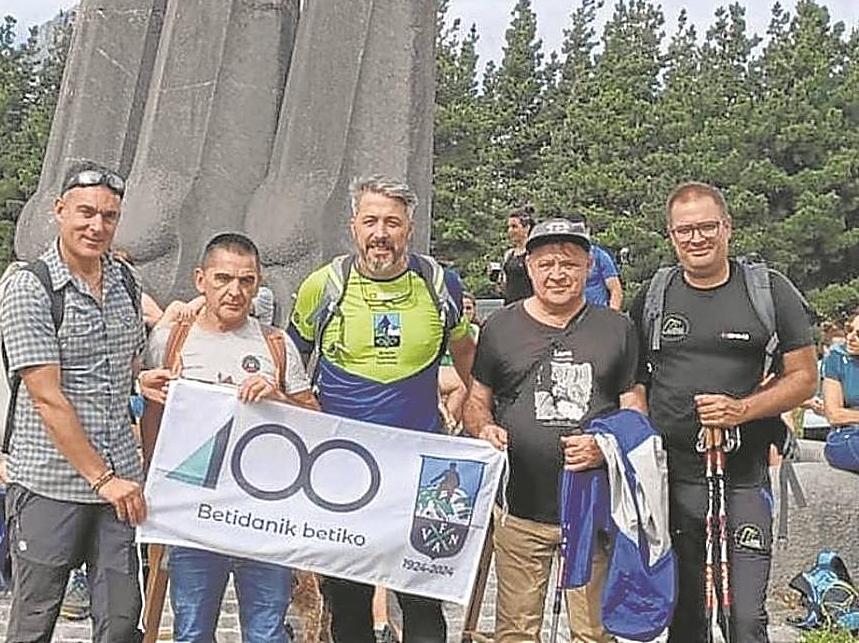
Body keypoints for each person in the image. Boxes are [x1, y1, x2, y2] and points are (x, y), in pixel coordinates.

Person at [287, 175, 475, 643]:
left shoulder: (438, 283)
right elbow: (286, 356)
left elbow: (468, 355)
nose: (381, 233)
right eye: (370, 221)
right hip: (344, 468)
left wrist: (476, 406)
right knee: (348, 596)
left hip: (424, 469)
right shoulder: (323, 286)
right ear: (354, 226)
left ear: (409, 229)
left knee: (423, 595)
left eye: (392, 222)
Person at [628, 181, 816, 643]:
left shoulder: (768, 290)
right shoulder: (654, 295)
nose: (697, 239)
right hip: (674, 479)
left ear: (727, 228)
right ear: (671, 236)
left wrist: (742, 410)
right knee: (687, 618)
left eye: (707, 227)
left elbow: (804, 378)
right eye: (685, 230)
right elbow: (633, 383)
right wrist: (639, 445)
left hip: (744, 476)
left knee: (745, 619)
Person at [463, 218, 645, 643]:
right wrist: (484, 428)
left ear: (588, 268)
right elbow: (476, 400)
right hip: (520, 508)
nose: (557, 274)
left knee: (594, 633)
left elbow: (634, 409)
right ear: (528, 267)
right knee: (516, 631)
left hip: (593, 509)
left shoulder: (618, 329)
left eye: (569, 263)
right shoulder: (499, 327)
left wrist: (605, 446)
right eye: (546, 263)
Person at [138, 232, 316, 643]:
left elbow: (315, 423)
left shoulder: (276, 344)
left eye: (246, 281)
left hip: (262, 513)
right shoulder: (170, 340)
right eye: (223, 279)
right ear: (201, 280)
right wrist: (154, 485)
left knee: (267, 633)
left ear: (258, 284)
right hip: (194, 514)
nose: (235, 291)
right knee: (192, 631)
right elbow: (151, 417)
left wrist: (279, 398)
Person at [0, 161, 147, 643]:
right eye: (85, 212)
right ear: (59, 210)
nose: (96, 226)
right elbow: (47, 397)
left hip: (120, 483)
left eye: (108, 216)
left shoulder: (126, 280)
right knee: (35, 620)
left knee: (122, 622)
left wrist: (147, 382)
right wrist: (102, 479)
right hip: (52, 482)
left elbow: (126, 368)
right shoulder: (30, 287)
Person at [567, 213, 623, 310]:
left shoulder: (600, 256)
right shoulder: (560, 259)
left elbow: (615, 290)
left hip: (597, 315)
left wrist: (611, 317)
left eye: (580, 230)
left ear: (587, 230)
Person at [500, 206, 535, 304]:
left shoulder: (533, 253)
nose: (510, 231)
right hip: (510, 306)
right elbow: (505, 286)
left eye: (514, 226)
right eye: (509, 227)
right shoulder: (509, 254)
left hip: (528, 304)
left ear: (527, 228)